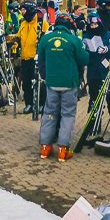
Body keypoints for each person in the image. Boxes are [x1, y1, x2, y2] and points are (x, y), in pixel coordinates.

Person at [38, 13, 88, 161]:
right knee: (67, 114)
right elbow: (84, 59)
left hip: (52, 82)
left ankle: (45, 148)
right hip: (69, 82)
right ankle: (62, 149)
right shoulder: (74, 40)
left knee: (49, 113)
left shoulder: (45, 39)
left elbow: (41, 61)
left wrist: (45, 76)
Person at [15, 0, 50, 115]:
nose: (22, 12)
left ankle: (41, 104)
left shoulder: (41, 23)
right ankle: (29, 103)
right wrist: (13, 42)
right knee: (26, 83)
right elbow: (18, 37)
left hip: (37, 58)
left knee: (40, 82)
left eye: (24, 10)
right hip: (25, 57)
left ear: (30, 10)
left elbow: (46, 39)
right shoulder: (23, 22)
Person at [82, 11, 110, 126]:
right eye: (92, 25)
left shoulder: (107, 34)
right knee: (94, 98)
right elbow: (83, 54)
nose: (94, 27)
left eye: (96, 25)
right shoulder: (86, 35)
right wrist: (85, 48)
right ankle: (94, 124)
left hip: (105, 68)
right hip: (93, 69)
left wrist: (107, 49)